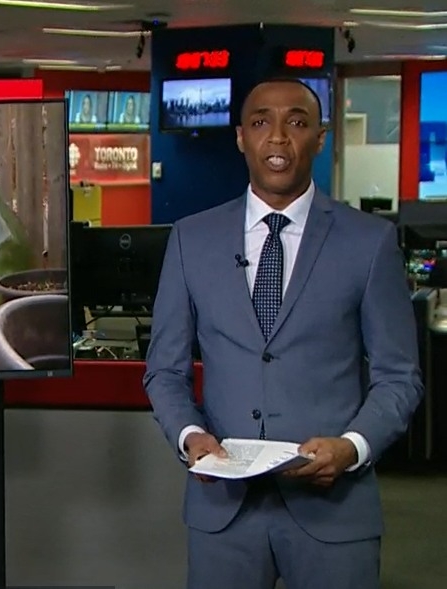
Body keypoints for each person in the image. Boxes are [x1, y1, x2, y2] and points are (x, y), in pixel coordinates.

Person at [143, 77, 423, 589]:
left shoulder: (370, 242)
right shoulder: (191, 240)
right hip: (223, 513)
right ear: (240, 137)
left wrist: (353, 447)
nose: (277, 137)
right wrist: (190, 437)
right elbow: (164, 370)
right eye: (260, 122)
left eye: (296, 122)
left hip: (335, 513)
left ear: (320, 137)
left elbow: (399, 377)